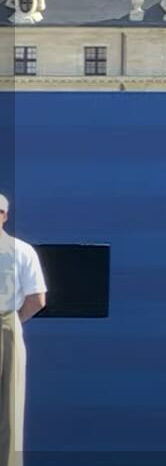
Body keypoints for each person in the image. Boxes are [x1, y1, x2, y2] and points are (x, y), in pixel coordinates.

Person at [0, 193, 47, 466]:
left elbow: (37, 299)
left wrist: (12, 322)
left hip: (7, 326)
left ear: (5, 216)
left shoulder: (22, 251)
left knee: (9, 408)